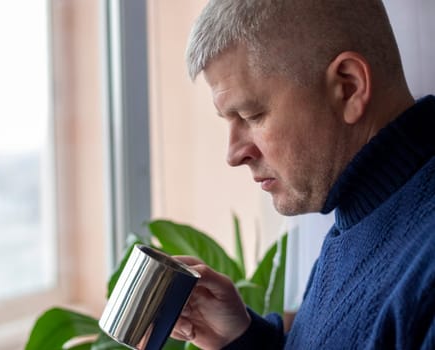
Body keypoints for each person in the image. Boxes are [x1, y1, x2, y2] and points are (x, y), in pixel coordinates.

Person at [170, 0, 435, 349]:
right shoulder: (358, 218)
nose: (234, 155)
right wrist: (242, 339)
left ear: (349, 87)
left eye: (251, 115)